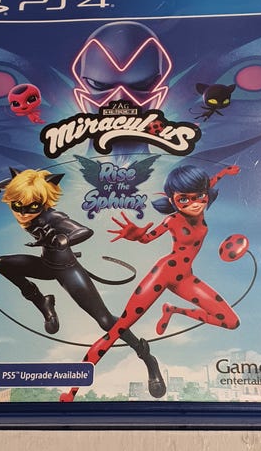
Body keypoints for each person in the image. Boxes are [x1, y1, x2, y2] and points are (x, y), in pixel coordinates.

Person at [60, 164, 241, 402]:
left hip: (186, 278)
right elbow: (147, 238)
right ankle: (72, 390)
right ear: (172, 200)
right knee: (117, 329)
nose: (195, 203)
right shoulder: (172, 220)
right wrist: (136, 235)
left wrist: (225, 172)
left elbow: (209, 183)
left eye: (199, 196)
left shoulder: (201, 204)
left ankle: (173, 310)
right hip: (163, 273)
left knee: (231, 321)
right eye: (184, 199)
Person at [0, 168, 166, 399]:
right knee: (2, 264)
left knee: (105, 321)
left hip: (68, 270)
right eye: (18, 206)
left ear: (42, 202)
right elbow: (18, 184)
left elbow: (84, 231)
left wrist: (64, 239)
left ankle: (147, 358)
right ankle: (44, 302)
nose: (24, 213)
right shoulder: (22, 196)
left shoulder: (52, 217)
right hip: (46, 265)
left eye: (32, 207)